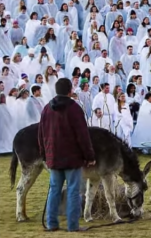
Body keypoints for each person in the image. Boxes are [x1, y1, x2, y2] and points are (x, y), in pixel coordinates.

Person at [38, 78, 96, 232]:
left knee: (54, 190)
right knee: (73, 191)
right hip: (72, 157)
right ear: (70, 90)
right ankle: (73, 226)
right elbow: (83, 135)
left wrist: (44, 154)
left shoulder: (47, 109)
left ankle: (51, 224)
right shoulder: (74, 109)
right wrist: (89, 156)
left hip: (54, 157)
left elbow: (41, 134)